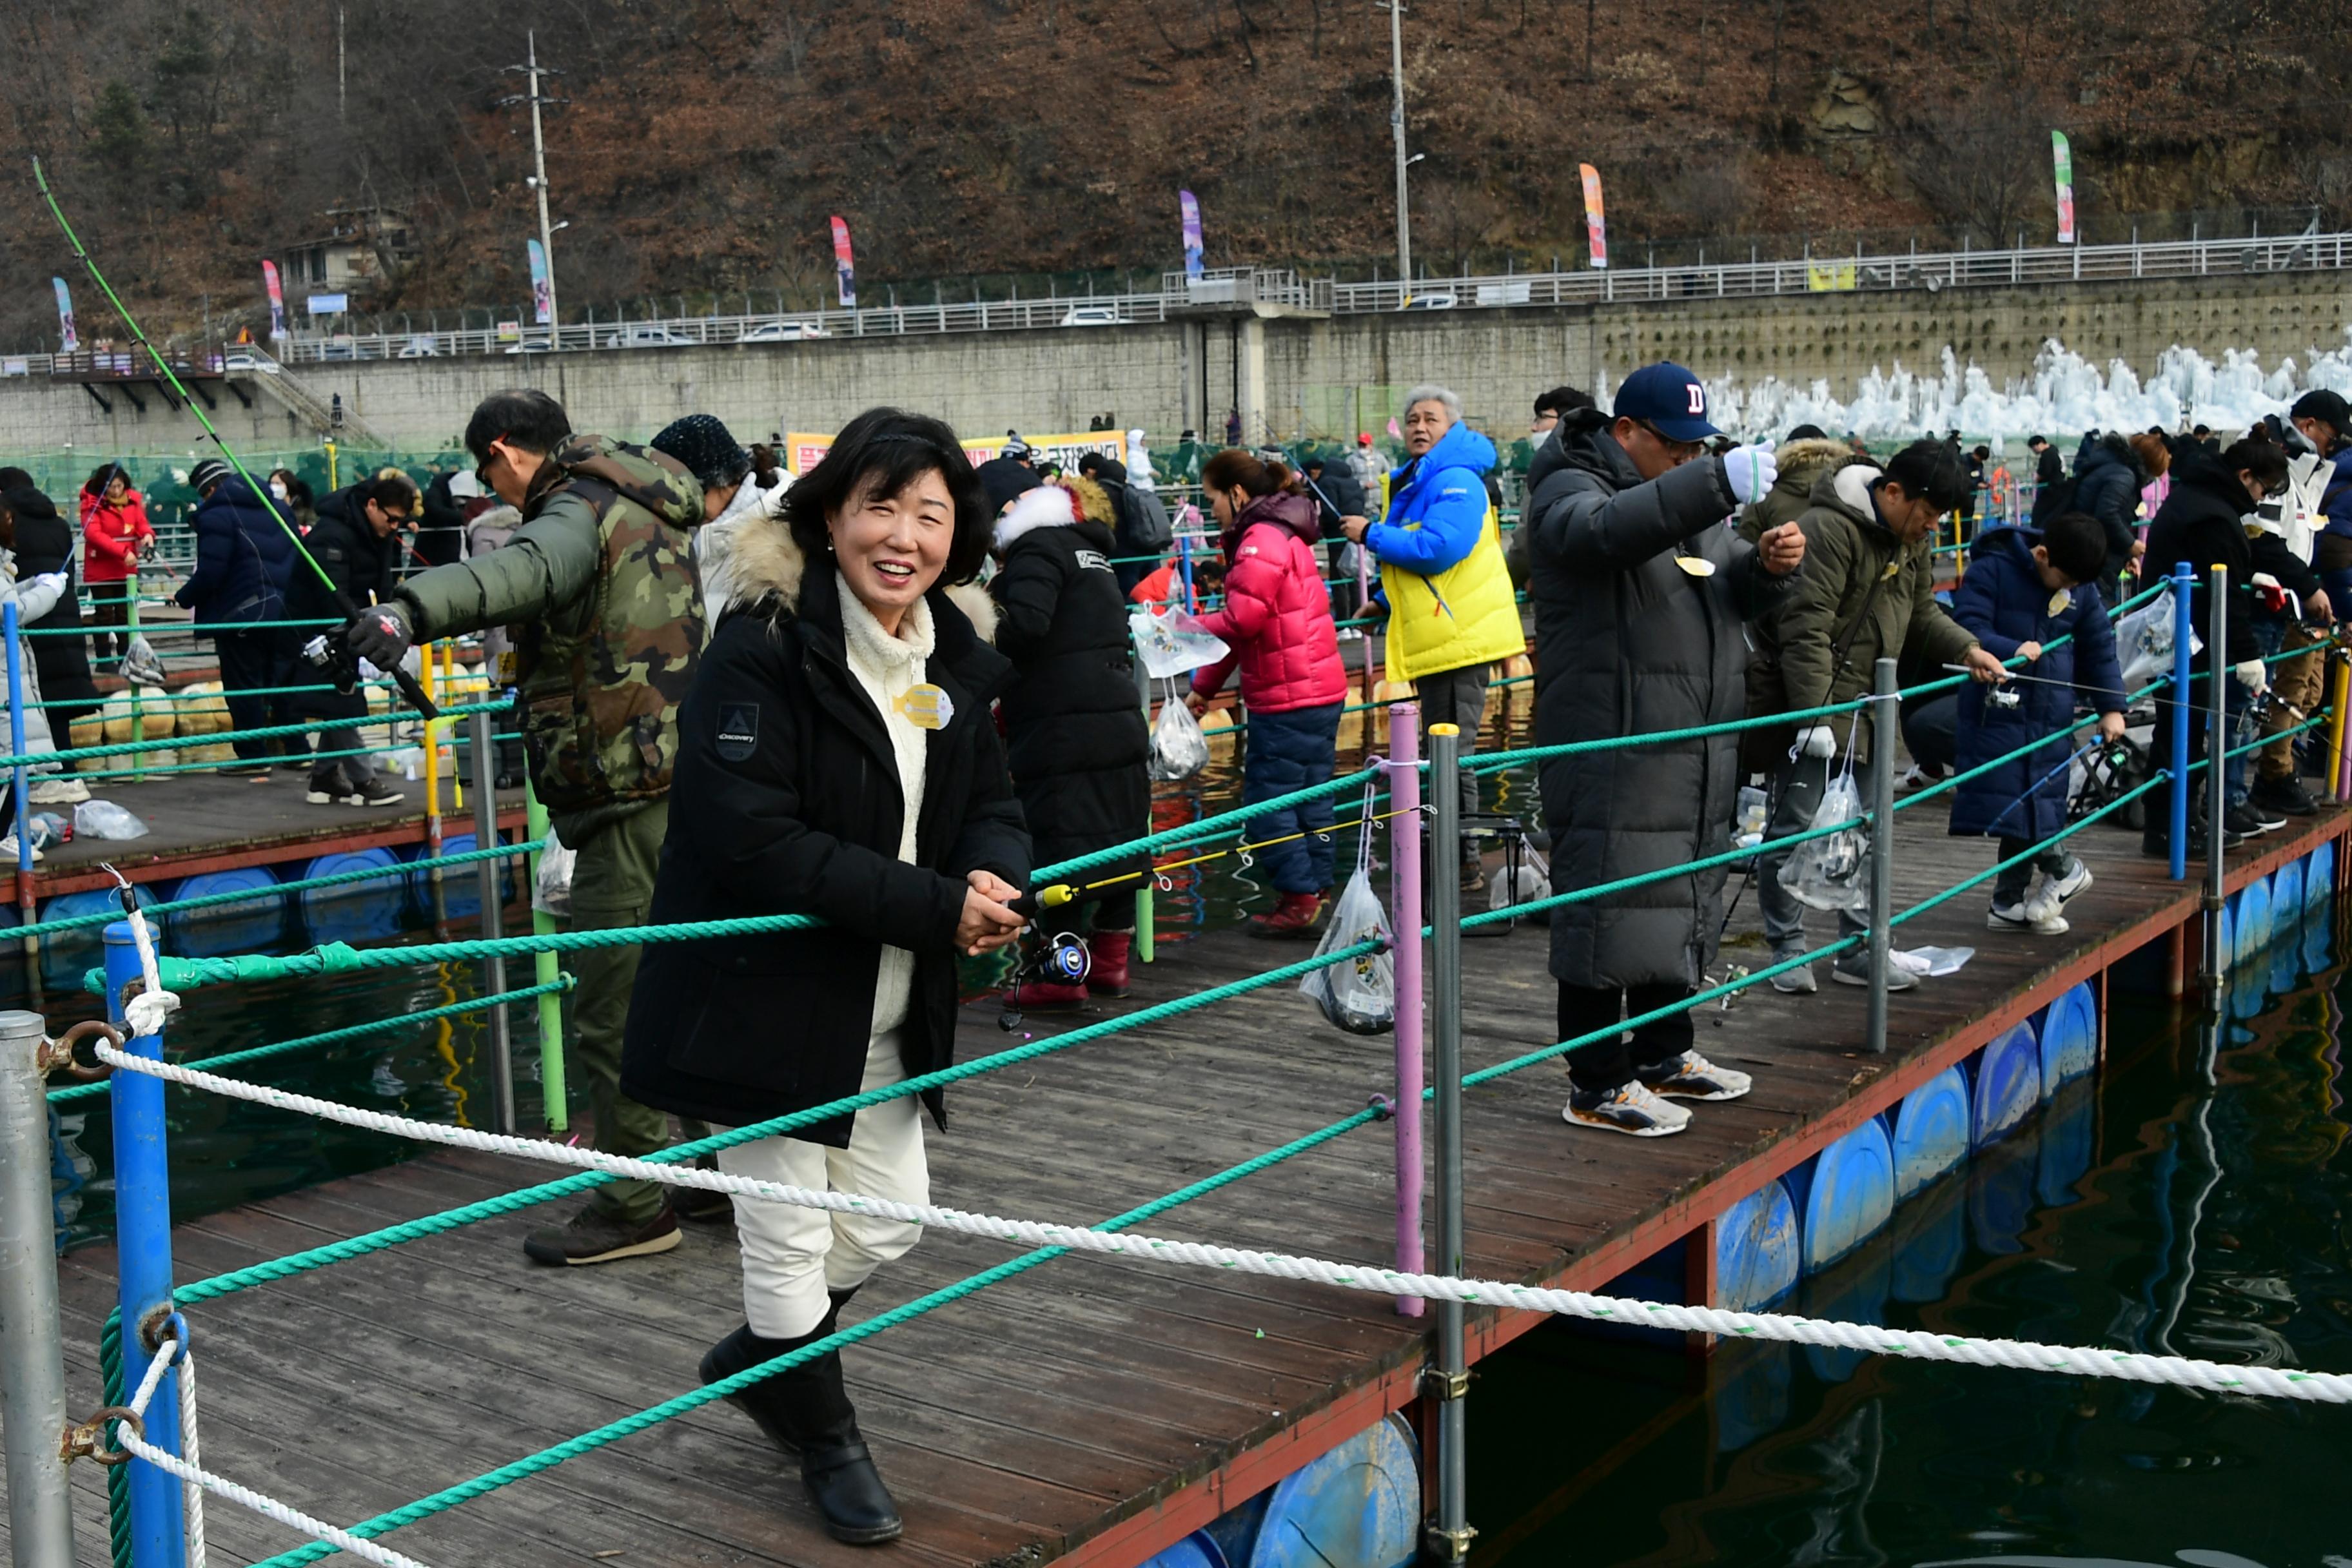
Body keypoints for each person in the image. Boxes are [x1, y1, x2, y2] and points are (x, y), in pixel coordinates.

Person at [619, 407, 1026, 1543]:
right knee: (789, 1240)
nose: (902, 536)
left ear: (960, 532)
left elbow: (989, 796)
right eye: (878, 505)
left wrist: (993, 872)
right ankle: (827, 1436)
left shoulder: (947, 652)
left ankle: (760, 1360)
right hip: (765, 999)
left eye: (929, 513)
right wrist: (939, 907)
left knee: (890, 1222)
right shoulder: (760, 646)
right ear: (829, 513)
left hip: (891, 998)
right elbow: (754, 838)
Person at [344, 387, 710, 1266]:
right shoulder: (646, 492)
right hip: (680, 778)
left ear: (506, 450)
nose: (496, 492)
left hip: (624, 791)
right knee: (682, 990)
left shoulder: (574, 509)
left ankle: (635, 1205)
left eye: (488, 474)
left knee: (611, 1007)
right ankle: (708, 1171)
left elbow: (526, 570)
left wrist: (407, 610)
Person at [1522, 364, 1807, 1136]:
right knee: (1604, 910)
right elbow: (1604, 535)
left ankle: (1665, 1052)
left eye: (1699, 451)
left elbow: (1723, 587)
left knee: (1678, 900)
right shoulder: (1567, 489)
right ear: (1626, 434)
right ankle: (1595, 1080)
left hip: (1691, 743)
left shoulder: (1683, 499)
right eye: (1675, 449)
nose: (1688, 461)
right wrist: (1713, 482)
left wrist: (1769, 569)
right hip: (1612, 743)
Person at [1751, 439, 2007, 992]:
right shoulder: (1827, 529)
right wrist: (1812, 717)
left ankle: (1860, 950)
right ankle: (1786, 948)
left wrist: (1967, 649)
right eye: (1929, 513)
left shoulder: (1910, 541)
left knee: (1871, 829)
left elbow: (1920, 613)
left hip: (1875, 704)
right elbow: (1806, 626)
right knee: (1792, 826)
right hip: (1820, 703)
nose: (1933, 526)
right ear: (1893, 493)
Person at [1337, 386, 1522, 890]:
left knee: (1450, 753)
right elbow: (1430, 572)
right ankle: (1450, 856)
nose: (1420, 427)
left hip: (1460, 639)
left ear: (1451, 428)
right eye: (1413, 419)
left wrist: (1369, 534)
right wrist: (1386, 600)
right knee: (1441, 749)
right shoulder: (1425, 479)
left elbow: (1438, 549)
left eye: (1431, 420)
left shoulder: (1456, 478)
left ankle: (1461, 862)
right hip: (1444, 636)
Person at [987, 476, 1150, 1005]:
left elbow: (1026, 624)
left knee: (1057, 841)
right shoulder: (1089, 550)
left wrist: (974, 628)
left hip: (1060, 723)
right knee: (1120, 838)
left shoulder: (1035, 546)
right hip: (1115, 712)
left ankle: (1057, 974)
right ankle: (1109, 965)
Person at [1186, 449, 1348, 936]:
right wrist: (1205, 690)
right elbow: (1245, 631)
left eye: (1212, 498)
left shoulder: (1257, 541)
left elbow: (1241, 621)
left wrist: (1179, 628)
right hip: (1319, 688)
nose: (1211, 509)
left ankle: (1298, 898)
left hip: (1287, 697)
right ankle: (1316, 889)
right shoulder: (1284, 533)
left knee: (1268, 803)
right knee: (1313, 798)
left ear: (1236, 494)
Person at [1945, 513, 2125, 934]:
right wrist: (2008, 648)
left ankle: (2007, 901)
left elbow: (2100, 647)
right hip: (1998, 713)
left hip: (2051, 716)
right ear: (2041, 554)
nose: (2069, 590)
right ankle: (2064, 870)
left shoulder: (2078, 587)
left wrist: (2111, 707)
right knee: (2014, 805)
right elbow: (1965, 627)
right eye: (2063, 580)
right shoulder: (1991, 569)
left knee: (2034, 804)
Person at [2140, 435, 2291, 857]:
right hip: (2185, 644)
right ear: (2245, 476)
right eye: (2262, 488)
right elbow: (2222, 599)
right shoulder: (2214, 517)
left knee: (2182, 732)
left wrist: (2252, 575)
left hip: (2178, 637)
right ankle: (2170, 829)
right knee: (2181, 735)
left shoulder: (2199, 495)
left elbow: (2224, 584)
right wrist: (2247, 656)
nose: (2261, 498)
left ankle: (2181, 820)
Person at [288, 471, 411, 805]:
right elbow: (330, 592)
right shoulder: (332, 534)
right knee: (344, 702)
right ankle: (364, 779)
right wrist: (360, 627)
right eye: (392, 519)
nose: (395, 527)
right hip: (318, 629)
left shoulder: (377, 534)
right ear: (372, 505)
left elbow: (382, 581)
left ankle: (324, 776)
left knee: (341, 700)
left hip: (351, 626)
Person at [177, 459, 302, 781]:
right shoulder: (278, 509)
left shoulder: (217, 515)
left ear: (211, 489)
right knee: (283, 680)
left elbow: (212, 572)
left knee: (243, 686)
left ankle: (253, 756)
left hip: (241, 613)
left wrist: (184, 596)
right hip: (284, 609)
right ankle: (298, 750)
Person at [651, 415, 789, 620]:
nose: (679, 509)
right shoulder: (689, 529)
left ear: (723, 482)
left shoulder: (782, 528)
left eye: (685, 497)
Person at [0, 470, 100, 753]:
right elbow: (68, 574)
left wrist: (34, 587)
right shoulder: (56, 523)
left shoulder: (12, 524)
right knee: (55, 701)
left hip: (30, 625)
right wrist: (48, 588)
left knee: (31, 701)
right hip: (62, 614)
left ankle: (47, 777)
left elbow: (10, 606)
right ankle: (64, 773)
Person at [2041, 431, 2143, 603]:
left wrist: (2127, 554)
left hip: (2090, 550)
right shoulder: (2124, 476)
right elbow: (2107, 514)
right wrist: (2130, 544)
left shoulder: (2104, 467)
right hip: (2095, 555)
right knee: (2095, 609)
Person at [79, 462, 152, 662]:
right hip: (101, 568)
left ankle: (125, 656)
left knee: (126, 613)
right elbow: (94, 534)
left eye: (119, 486)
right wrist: (123, 552)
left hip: (126, 568)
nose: (116, 490)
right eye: (112, 486)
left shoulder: (133, 502)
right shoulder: (91, 505)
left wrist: (147, 535)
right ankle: (103, 659)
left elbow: (141, 524)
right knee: (104, 613)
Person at [2293, 389, 2352, 618]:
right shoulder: (2283, 468)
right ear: (2307, 426)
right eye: (2333, 436)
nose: (2331, 446)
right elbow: (2336, 551)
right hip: (2303, 602)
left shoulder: (2323, 473)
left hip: (2305, 597)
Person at [1298, 450, 1367, 622]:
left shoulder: (1326, 482)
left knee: (1338, 578)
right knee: (1355, 576)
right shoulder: (1352, 482)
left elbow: (1329, 512)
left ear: (1314, 472)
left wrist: (1320, 527)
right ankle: (1357, 619)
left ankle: (1344, 622)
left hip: (1338, 534)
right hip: (1357, 533)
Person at [2028, 435, 2064, 503]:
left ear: (2041, 444)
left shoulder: (2047, 454)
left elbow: (2045, 471)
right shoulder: (2054, 449)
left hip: (2049, 487)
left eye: (2034, 448)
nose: (2033, 450)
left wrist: (2037, 478)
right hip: (2059, 483)